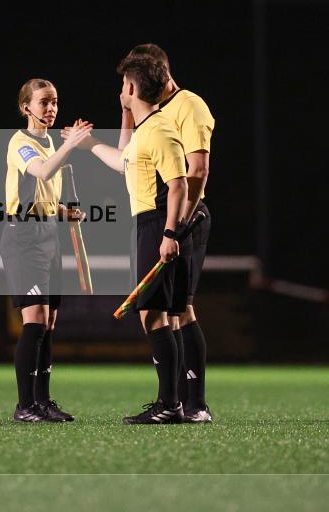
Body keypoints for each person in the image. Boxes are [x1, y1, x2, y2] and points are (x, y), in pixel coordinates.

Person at [64, 57, 189, 423]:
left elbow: (179, 183)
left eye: (123, 86)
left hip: (155, 223)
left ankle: (171, 405)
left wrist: (169, 233)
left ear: (131, 89)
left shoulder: (160, 130)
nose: (121, 92)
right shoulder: (146, 128)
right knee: (156, 316)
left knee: (153, 316)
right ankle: (171, 402)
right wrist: (89, 144)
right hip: (146, 223)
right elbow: (123, 161)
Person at [125, 44, 215, 423]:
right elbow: (127, 156)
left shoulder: (189, 105)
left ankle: (191, 403)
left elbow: (196, 173)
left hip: (182, 218)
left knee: (178, 311)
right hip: (166, 218)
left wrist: (176, 227)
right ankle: (177, 402)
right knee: (174, 312)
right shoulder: (149, 117)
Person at [1, 78, 91, 423]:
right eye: (44, 103)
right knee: (34, 319)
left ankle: (43, 401)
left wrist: (64, 212)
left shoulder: (50, 141)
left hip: (47, 234)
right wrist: (71, 147)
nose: (51, 108)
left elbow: (44, 196)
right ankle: (25, 406)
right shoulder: (20, 143)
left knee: (50, 321)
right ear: (26, 107)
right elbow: (41, 170)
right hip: (23, 237)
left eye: (54, 102)